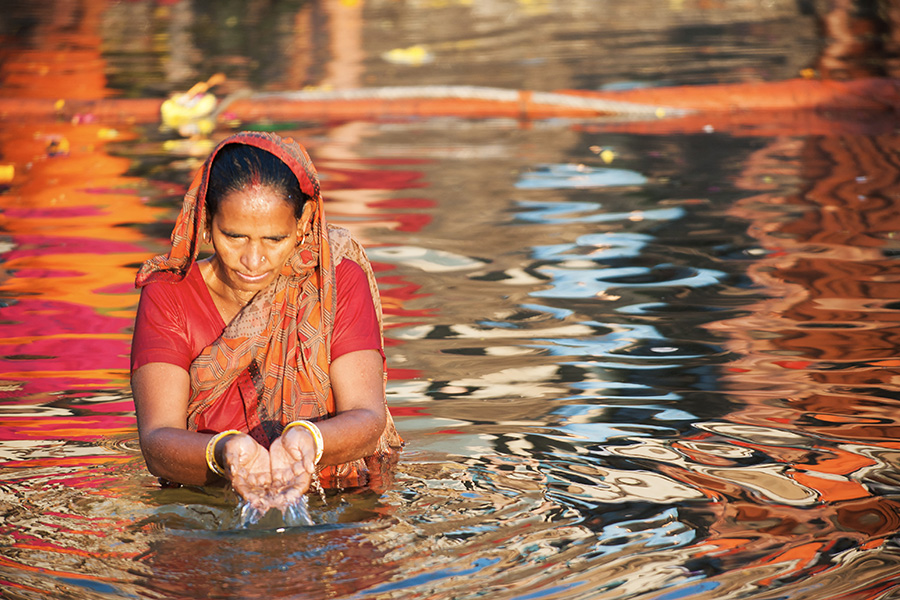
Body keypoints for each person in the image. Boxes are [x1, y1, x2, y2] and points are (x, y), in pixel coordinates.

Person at [130, 131, 402, 513]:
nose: (252, 260)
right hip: (206, 507)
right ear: (206, 221)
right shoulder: (169, 294)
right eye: (234, 236)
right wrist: (228, 452)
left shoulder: (335, 282)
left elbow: (367, 416)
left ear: (304, 222)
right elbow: (158, 443)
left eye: (274, 239)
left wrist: (307, 441)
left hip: (337, 499)